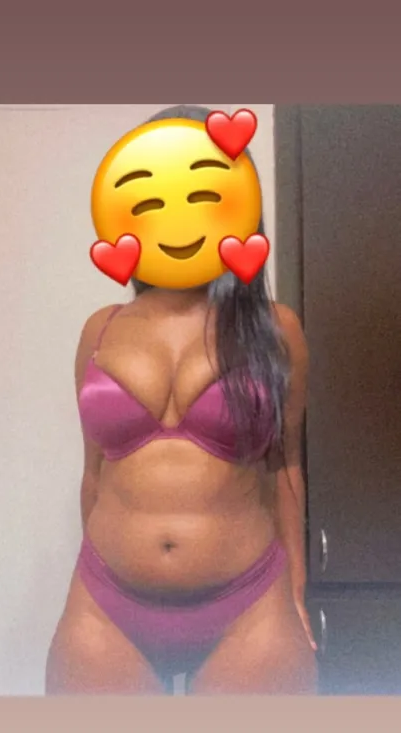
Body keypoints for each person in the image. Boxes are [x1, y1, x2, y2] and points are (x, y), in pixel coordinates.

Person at [46, 105, 318, 695]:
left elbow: (287, 468)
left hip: (249, 605)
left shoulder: (276, 329)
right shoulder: (101, 329)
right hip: (106, 605)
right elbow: (95, 474)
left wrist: (296, 590)